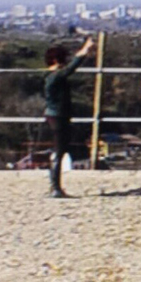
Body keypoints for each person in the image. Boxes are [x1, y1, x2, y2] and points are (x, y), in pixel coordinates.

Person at [43, 37, 95, 198]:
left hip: (55, 115)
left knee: (60, 150)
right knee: (59, 151)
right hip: (58, 116)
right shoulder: (55, 76)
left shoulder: (51, 76)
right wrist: (85, 50)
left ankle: (55, 186)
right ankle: (55, 188)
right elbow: (71, 67)